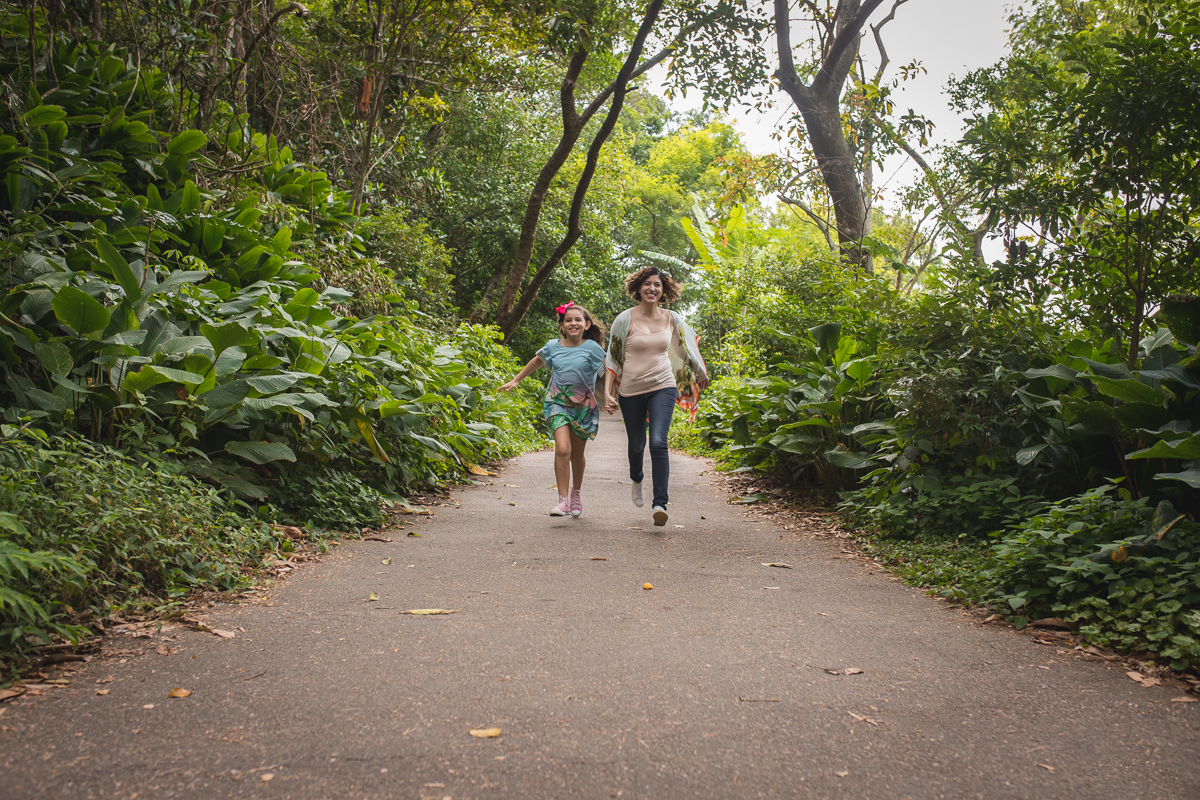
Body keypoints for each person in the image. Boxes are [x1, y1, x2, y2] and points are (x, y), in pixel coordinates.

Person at [603, 266, 708, 527]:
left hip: (663, 385)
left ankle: (660, 503)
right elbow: (613, 357)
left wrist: (700, 372)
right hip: (631, 390)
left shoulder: (672, 318)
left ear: (664, 290)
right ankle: (637, 478)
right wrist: (607, 392)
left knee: (659, 442)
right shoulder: (624, 319)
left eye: (657, 285)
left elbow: (686, 348)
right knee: (636, 445)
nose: (652, 288)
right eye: (647, 284)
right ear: (638, 288)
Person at [501, 303, 607, 518]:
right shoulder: (553, 346)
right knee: (563, 449)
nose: (573, 323)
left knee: (577, 455)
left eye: (578, 320)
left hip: (584, 407)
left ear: (586, 325)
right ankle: (563, 501)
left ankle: (576, 493)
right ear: (562, 325)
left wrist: (611, 395)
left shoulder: (593, 348)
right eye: (568, 320)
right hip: (556, 402)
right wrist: (516, 380)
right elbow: (538, 360)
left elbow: (609, 371)